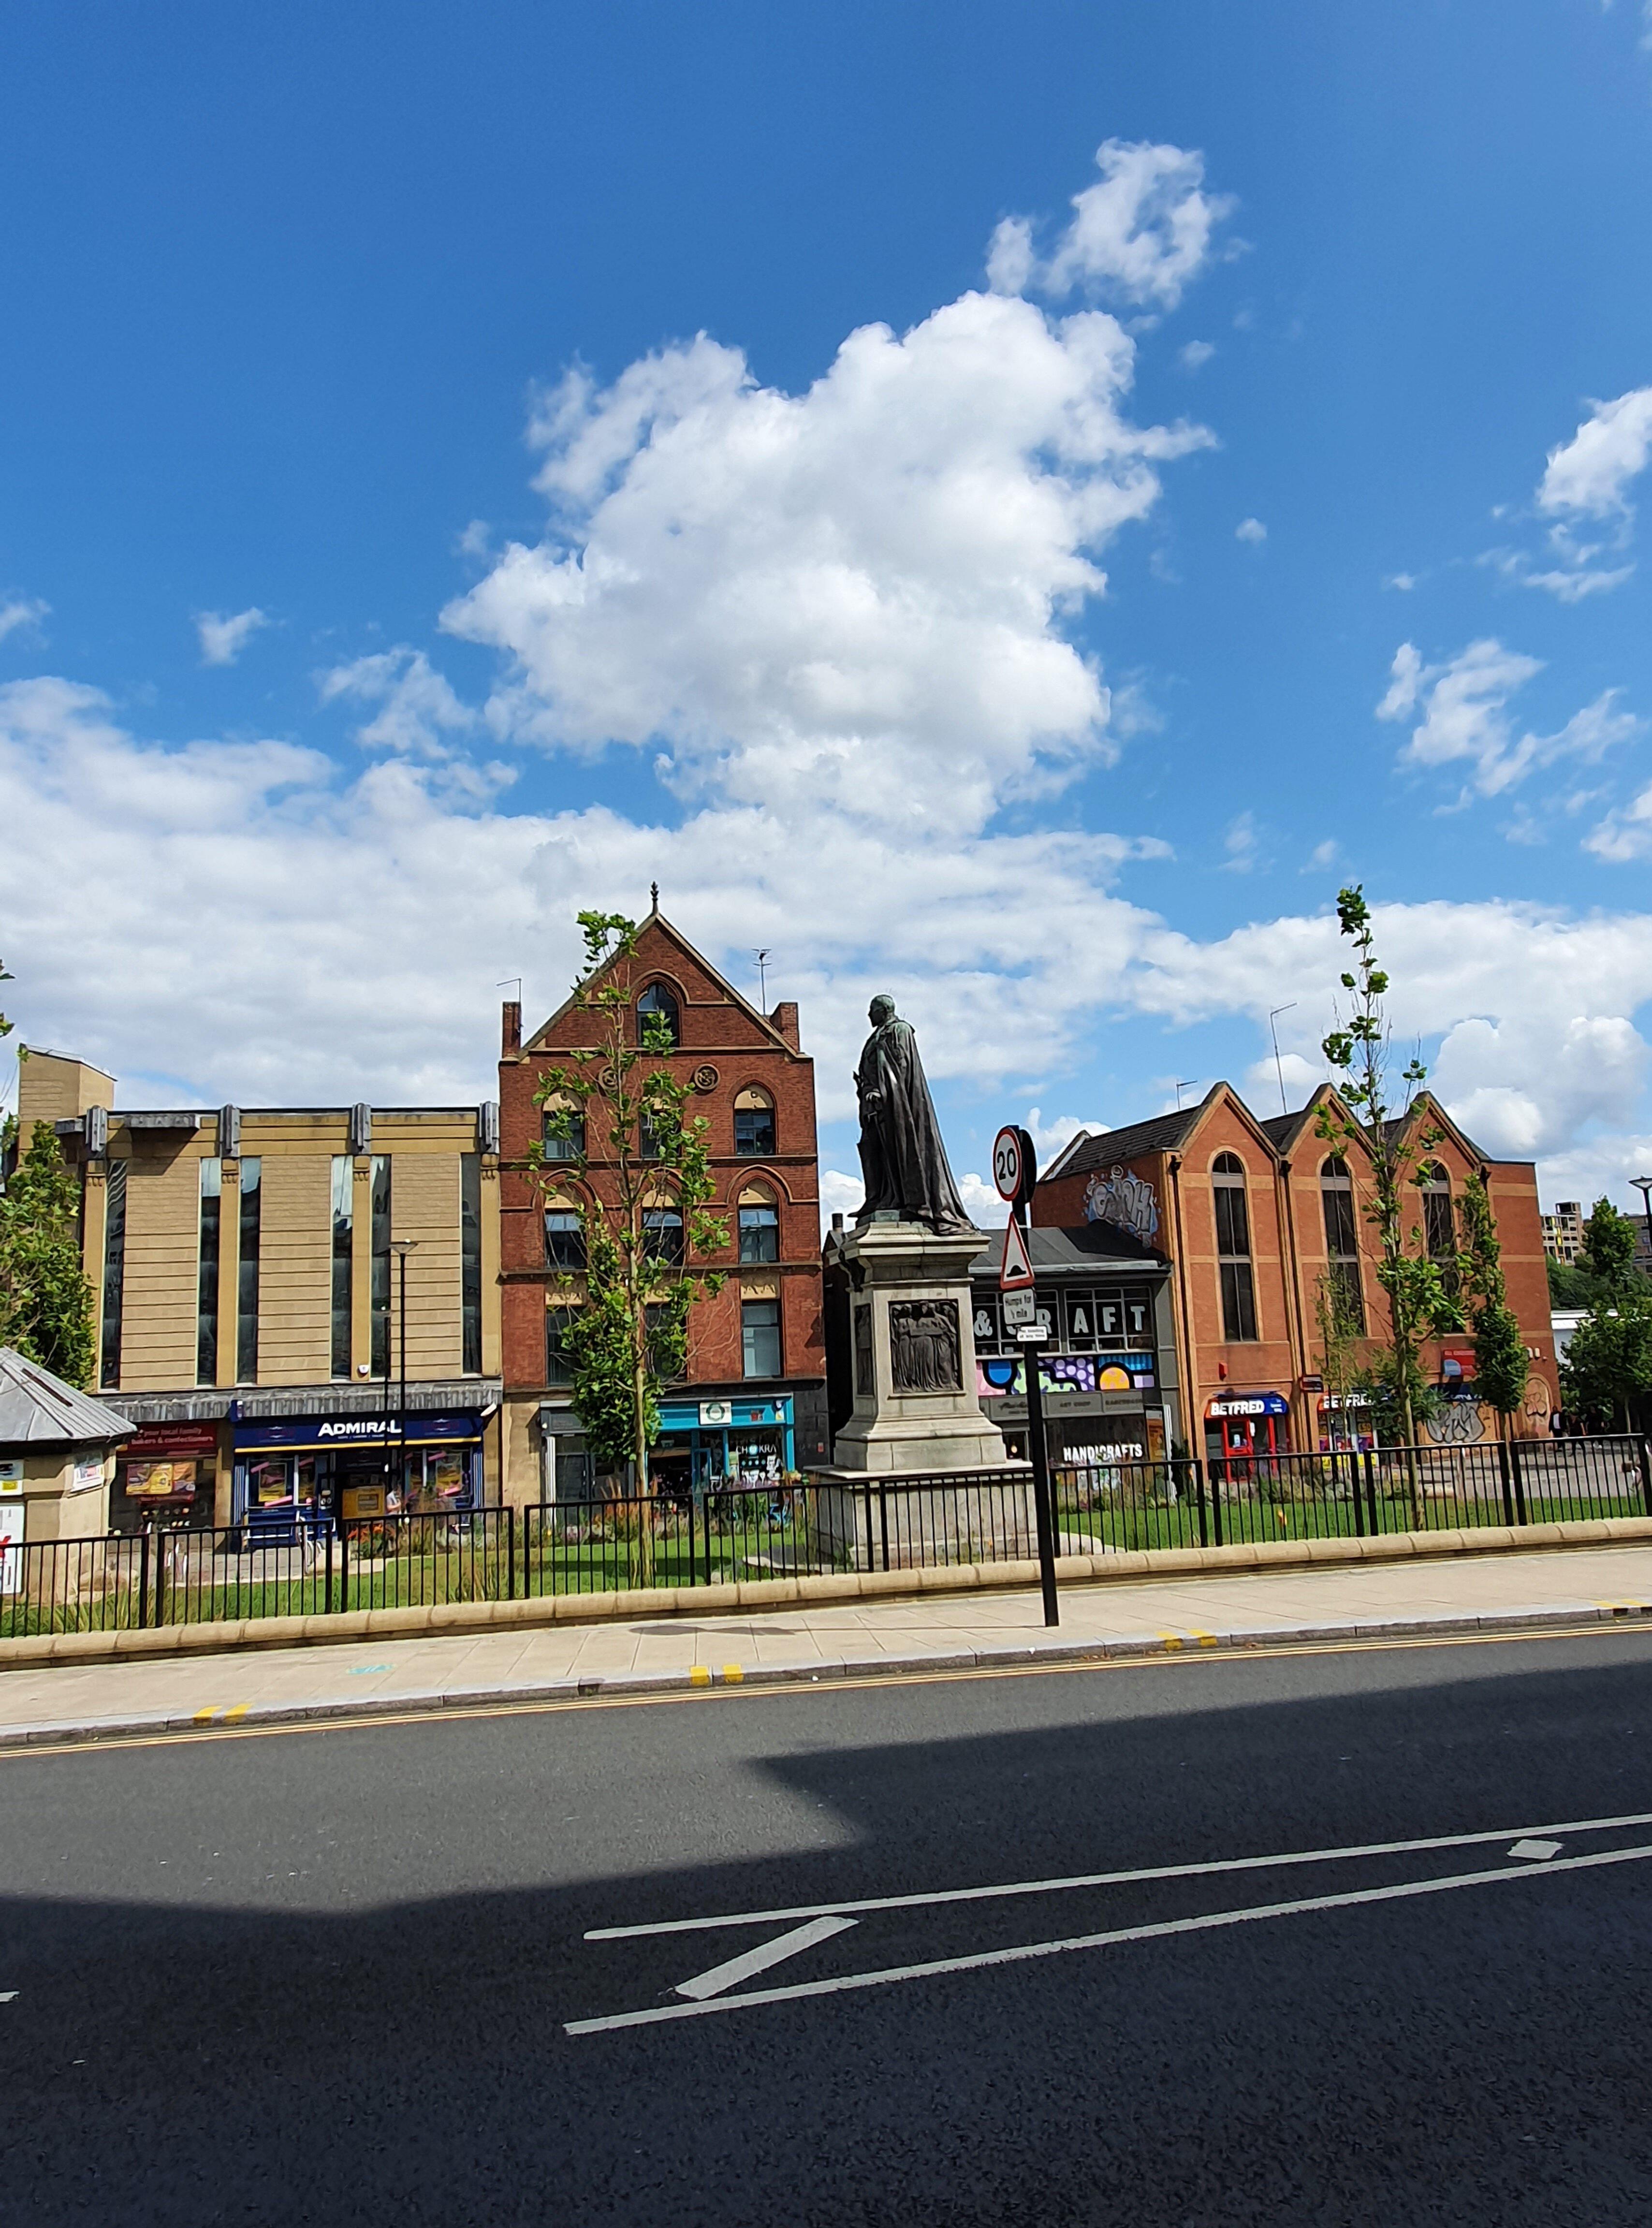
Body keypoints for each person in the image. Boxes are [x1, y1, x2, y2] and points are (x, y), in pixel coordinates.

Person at [853, 996, 973, 1232]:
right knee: (877, 1152)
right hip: (876, 1109)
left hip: (894, 1104)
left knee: (901, 1150)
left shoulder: (900, 1030)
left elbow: (901, 1065)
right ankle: (888, 1198)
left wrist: (884, 1092)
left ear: (884, 1011)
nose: (869, 1015)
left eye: (872, 1010)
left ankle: (912, 1202)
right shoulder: (876, 1036)